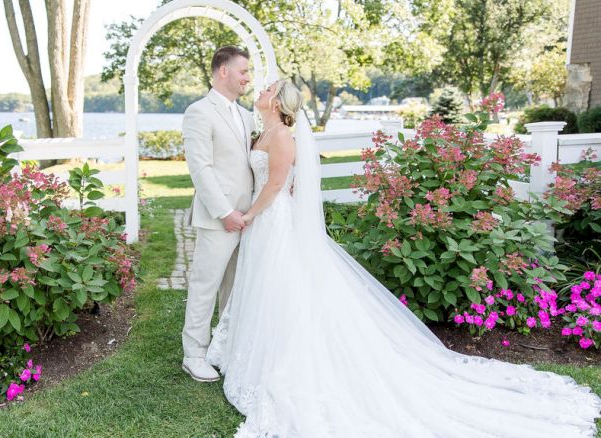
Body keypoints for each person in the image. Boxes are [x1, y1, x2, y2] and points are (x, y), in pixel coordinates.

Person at [206, 79, 601, 437]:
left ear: (275, 100)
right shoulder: (266, 130)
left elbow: (276, 184)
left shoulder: (283, 138)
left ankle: (283, 366)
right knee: (268, 289)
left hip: (272, 222)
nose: (258, 89)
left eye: (266, 87)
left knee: (284, 290)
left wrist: (250, 215)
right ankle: (252, 355)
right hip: (268, 223)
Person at [181, 46, 254, 383]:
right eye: (243, 71)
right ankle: (193, 354)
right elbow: (201, 168)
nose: (247, 78)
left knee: (235, 287)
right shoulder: (199, 112)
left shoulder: (246, 115)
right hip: (218, 217)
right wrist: (224, 212)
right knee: (205, 285)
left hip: (250, 217)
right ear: (223, 71)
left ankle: (222, 349)